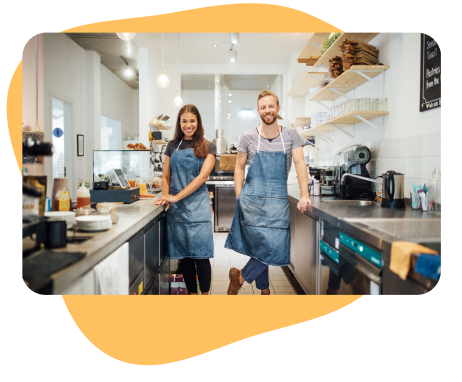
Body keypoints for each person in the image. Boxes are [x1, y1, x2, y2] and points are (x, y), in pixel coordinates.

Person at [225, 90, 312, 295]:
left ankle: (240, 277)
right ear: (258, 111)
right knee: (260, 246)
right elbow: (239, 167)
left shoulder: (291, 135)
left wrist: (305, 193)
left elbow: (300, 164)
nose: (267, 110)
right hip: (253, 200)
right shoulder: (248, 137)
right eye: (263, 107)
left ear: (278, 108)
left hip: (278, 201)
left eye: (271, 106)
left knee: (274, 245)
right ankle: (264, 292)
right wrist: (239, 196)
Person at [155, 104, 216, 295]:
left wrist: (176, 196)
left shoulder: (208, 146)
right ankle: (191, 295)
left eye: (192, 121)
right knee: (185, 257)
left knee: (201, 257)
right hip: (177, 210)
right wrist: (166, 197)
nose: (188, 125)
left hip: (198, 207)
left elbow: (202, 177)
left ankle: (204, 297)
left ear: (198, 122)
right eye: (184, 121)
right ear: (179, 122)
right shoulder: (172, 145)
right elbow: (166, 175)